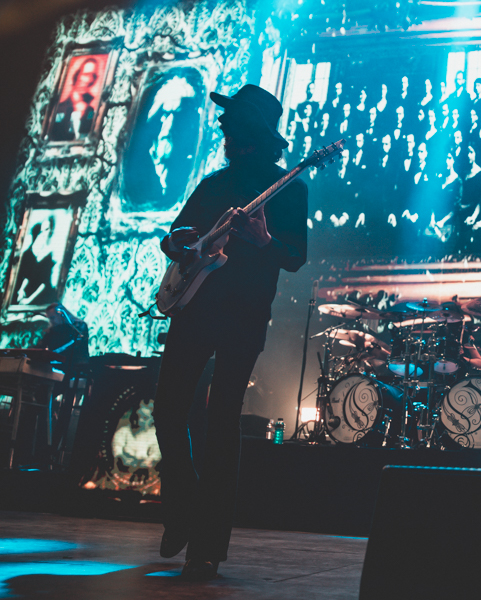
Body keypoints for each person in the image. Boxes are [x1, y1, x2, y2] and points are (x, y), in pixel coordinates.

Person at [153, 84, 307, 580]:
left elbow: (295, 257)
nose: (221, 126)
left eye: (230, 120)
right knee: (167, 410)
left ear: (249, 130)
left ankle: (206, 548)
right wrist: (179, 245)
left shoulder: (289, 188)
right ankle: (183, 507)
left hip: (244, 315)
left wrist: (263, 239)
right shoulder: (213, 183)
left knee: (220, 423)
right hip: (194, 308)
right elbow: (175, 236)